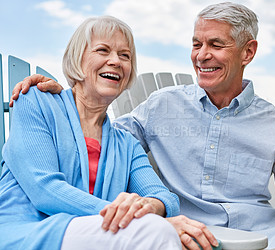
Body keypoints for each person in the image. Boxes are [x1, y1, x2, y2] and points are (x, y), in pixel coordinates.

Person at [10, 2, 275, 250]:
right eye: (196, 44)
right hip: (187, 236)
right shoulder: (158, 108)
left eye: (215, 44)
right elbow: (89, 131)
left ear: (248, 52)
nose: (202, 55)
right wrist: (63, 90)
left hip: (270, 240)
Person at [0, 15, 183, 250]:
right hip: (28, 231)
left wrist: (149, 207)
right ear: (77, 59)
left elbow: (163, 197)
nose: (115, 61)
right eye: (103, 50)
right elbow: (44, 189)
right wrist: (134, 218)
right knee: (154, 233)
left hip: (97, 234)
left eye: (124, 56)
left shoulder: (126, 143)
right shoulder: (36, 101)